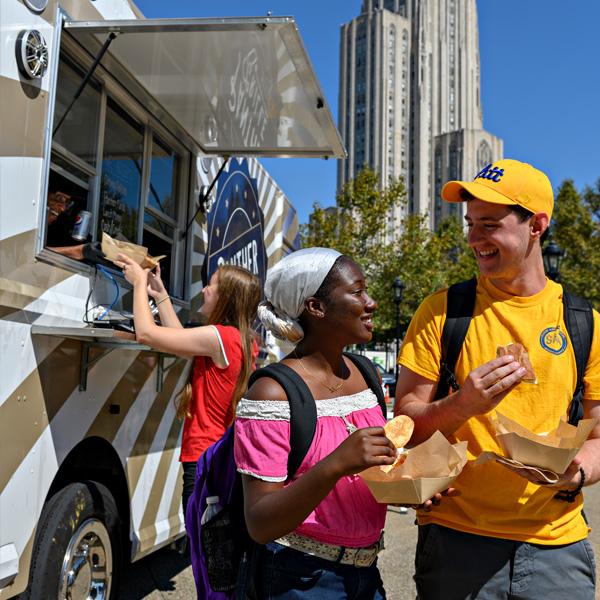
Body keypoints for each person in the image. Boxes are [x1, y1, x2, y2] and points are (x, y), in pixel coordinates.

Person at [394, 159, 600, 599]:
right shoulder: (442, 312)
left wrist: (575, 474)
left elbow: (599, 437)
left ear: (537, 225)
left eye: (489, 224)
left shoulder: (586, 324)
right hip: (456, 541)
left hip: (557, 546)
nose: (473, 238)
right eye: (470, 224)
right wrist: (464, 404)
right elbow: (405, 431)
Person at [235, 247, 453, 599]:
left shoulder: (365, 374)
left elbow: (369, 473)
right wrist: (335, 463)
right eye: (357, 292)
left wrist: (412, 488)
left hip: (367, 576)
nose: (371, 303)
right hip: (300, 579)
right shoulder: (271, 394)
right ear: (316, 307)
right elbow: (259, 523)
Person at [116, 254, 261, 519]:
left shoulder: (220, 336)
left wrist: (138, 283)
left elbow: (148, 334)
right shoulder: (240, 338)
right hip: (218, 458)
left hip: (205, 461)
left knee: (204, 553)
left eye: (212, 285)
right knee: (211, 553)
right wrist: (160, 295)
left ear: (226, 297)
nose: (204, 289)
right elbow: (180, 340)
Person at [46, 189, 105, 263]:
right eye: (60, 198)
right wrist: (79, 251)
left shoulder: (58, 230)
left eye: (67, 203)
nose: (63, 209)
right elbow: (32, 250)